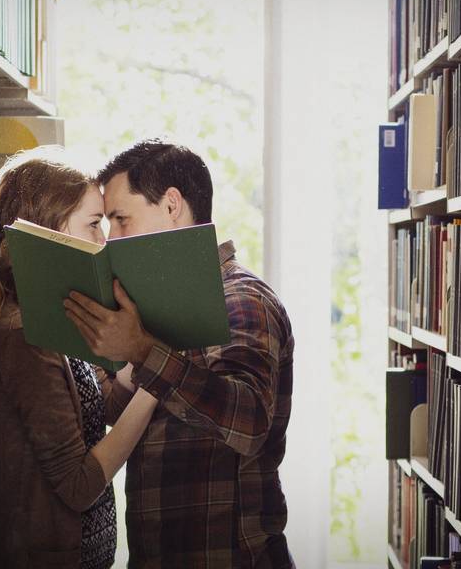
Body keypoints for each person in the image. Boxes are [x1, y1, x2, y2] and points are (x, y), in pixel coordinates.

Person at [65, 140, 296, 568]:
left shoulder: (244, 301)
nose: (111, 240)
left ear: (172, 204)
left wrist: (140, 348)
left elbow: (249, 423)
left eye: (121, 219)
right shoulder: (152, 309)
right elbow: (123, 411)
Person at [0, 147, 158, 569]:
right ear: (50, 230)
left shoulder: (55, 317)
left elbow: (108, 406)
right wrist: (161, 383)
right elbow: (77, 485)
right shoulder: (22, 336)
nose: (103, 241)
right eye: (93, 225)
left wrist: (135, 347)